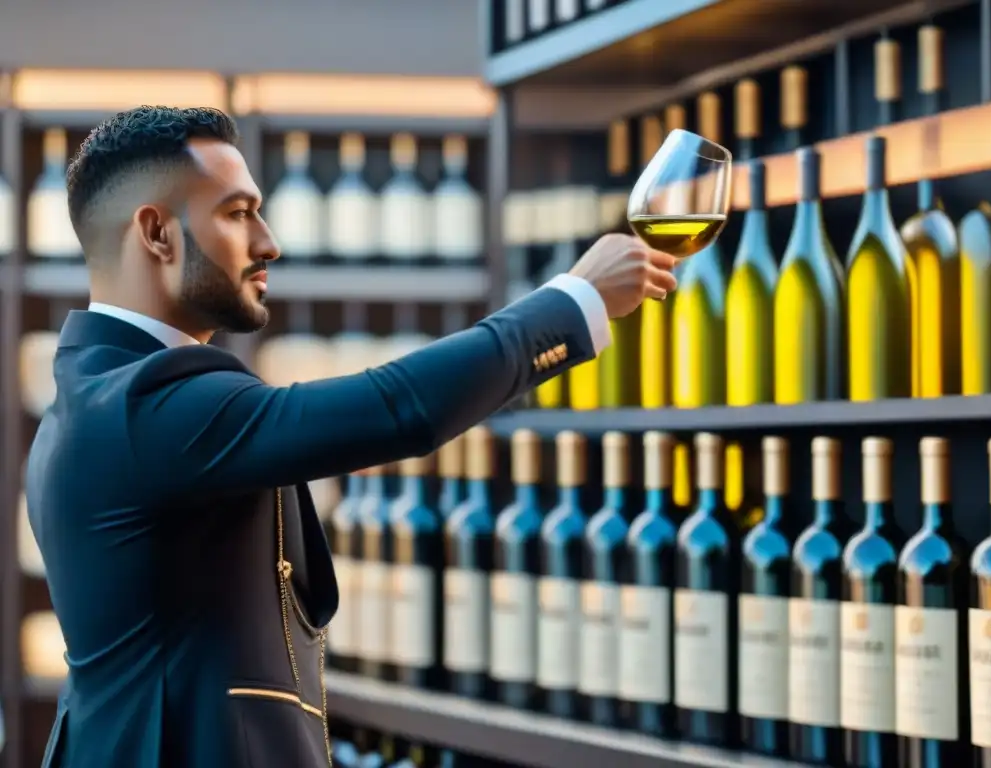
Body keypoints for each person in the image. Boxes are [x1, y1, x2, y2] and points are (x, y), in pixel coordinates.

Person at [26, 106, 677, 768]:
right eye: (237, 212)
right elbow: (396, 409)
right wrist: (574, 302)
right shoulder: (145, 404)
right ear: (157, 232)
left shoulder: (96, 400)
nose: (268, 242)